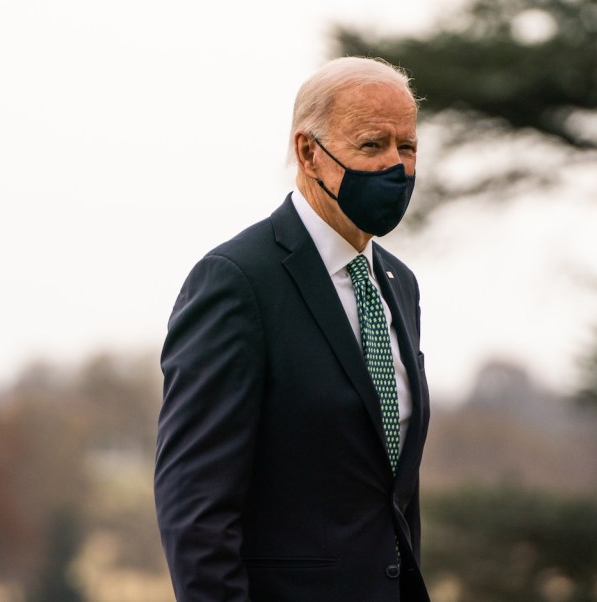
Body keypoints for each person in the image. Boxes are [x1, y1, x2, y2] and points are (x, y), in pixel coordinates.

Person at [154, 56, 432, 602]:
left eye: (408, 147)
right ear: (309, 152)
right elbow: (195, 509)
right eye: (373, 145)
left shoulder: (399, 284)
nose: (395, 167)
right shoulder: (237, 282)